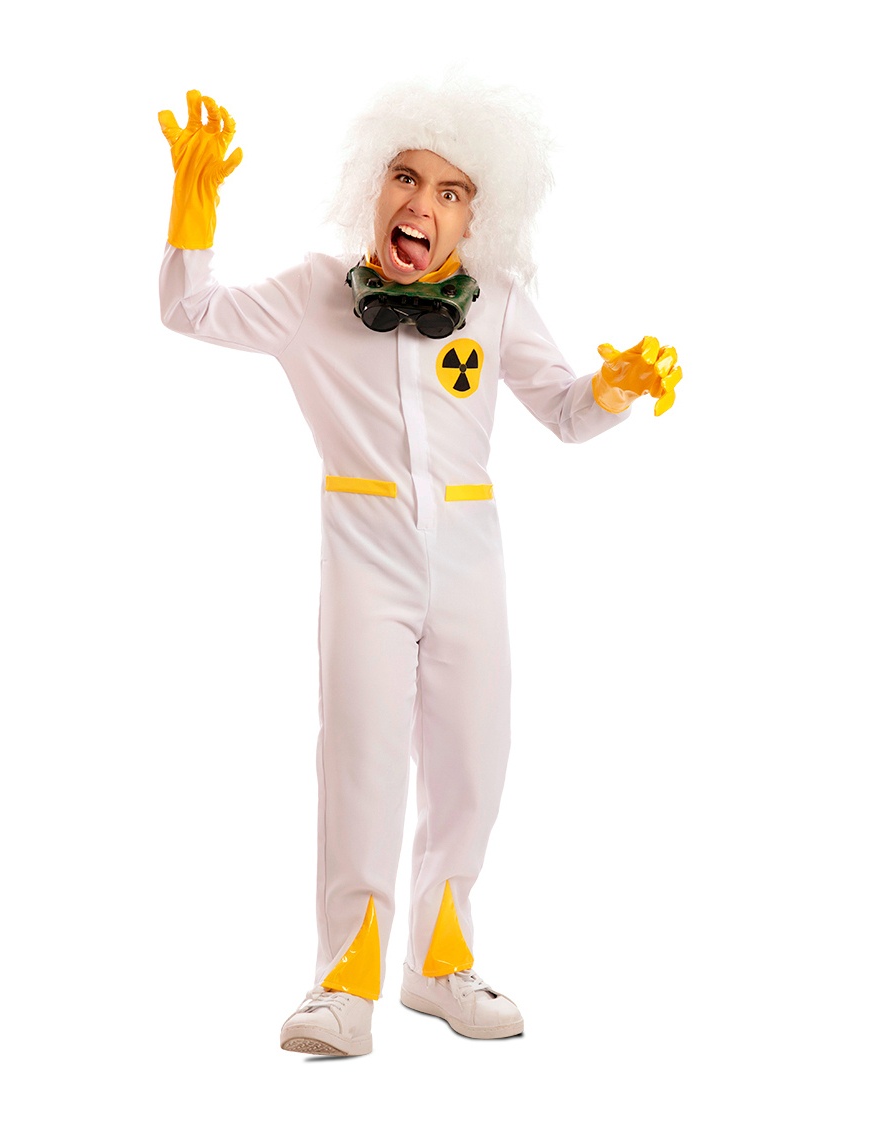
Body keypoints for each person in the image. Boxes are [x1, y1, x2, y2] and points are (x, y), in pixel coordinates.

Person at [157, 81, 681, 1057]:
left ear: (477, 217)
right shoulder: (310, 292)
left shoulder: (499, 301)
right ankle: (344, 979)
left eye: (449, 191)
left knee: (471, 759)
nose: (421, 203)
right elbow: (190, 309)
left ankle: (439, 963)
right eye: (405, 177)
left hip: (472, 555)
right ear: (373, 184)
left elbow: (564, 414)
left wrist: (612, 389)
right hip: (364, 552)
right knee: (360, 756)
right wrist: (192, 216)